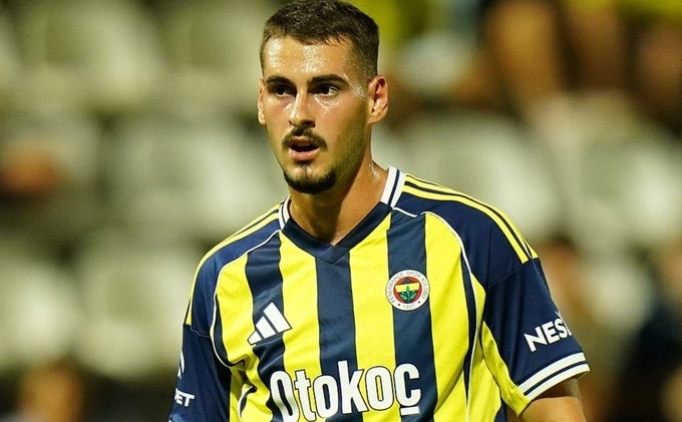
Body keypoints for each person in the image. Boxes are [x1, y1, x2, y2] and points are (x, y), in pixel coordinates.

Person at [168, 1, 590, 421]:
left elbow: (554, 407)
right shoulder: (224, 278)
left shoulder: (472, 239)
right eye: (282, 90)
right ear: (261, 102)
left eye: (325, 89)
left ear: (376, 99)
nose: (299, 114)